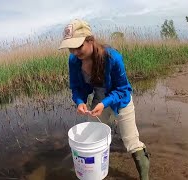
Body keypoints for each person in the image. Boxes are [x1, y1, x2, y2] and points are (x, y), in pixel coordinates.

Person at [58, 19, 150, 180]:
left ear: (90, 40)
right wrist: (80, 102)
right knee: (89, 138)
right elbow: (76, 88)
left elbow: (123, 89)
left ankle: (144, 177)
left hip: (121, 101)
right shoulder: (74, 61)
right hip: (99, 100)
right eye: (70, 48)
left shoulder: (113, 58)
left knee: (131, 142)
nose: (74, 52)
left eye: (78, 46)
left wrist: (105, 103)